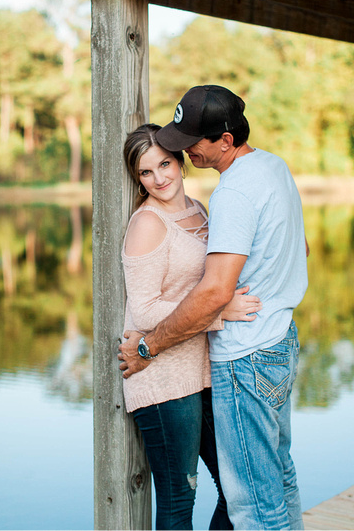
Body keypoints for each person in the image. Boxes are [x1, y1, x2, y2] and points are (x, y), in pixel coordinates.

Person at [119, 85, 309, 530]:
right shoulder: (272, 167)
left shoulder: (221, 200)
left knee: (254, 499)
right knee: (265, 484)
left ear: (224, 141)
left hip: (243, 356)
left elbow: (214, 291)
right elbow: (297, 250)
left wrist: (149, 345)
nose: (168, 166)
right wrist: (153, 346)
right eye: (147, 170)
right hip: (225, 359)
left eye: (174, 155)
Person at [119, 124, 263, 530]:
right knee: (180, 498)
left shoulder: (199, 209)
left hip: (205, 374)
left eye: (164, 164)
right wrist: (219, 311)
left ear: (180, 161)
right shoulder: (147, 224)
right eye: (146, 173)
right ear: (138, 178)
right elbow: (144, 311)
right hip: (163, 380)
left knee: (238, 490)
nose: (159, 178)